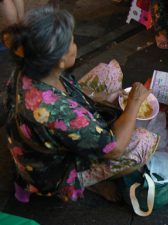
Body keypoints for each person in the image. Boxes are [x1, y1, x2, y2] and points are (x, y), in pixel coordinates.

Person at [1, 6, 159, 202]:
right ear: (59, 60)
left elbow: (68, 94)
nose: (75, 45)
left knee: (108, 71)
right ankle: (77, 183)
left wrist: (104, 98)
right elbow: (114, 148)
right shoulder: (60, 112)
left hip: (37, 145)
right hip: (52, 172)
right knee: (144, 142)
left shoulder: (28, 68)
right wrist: (134, 102)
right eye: (72, 41)